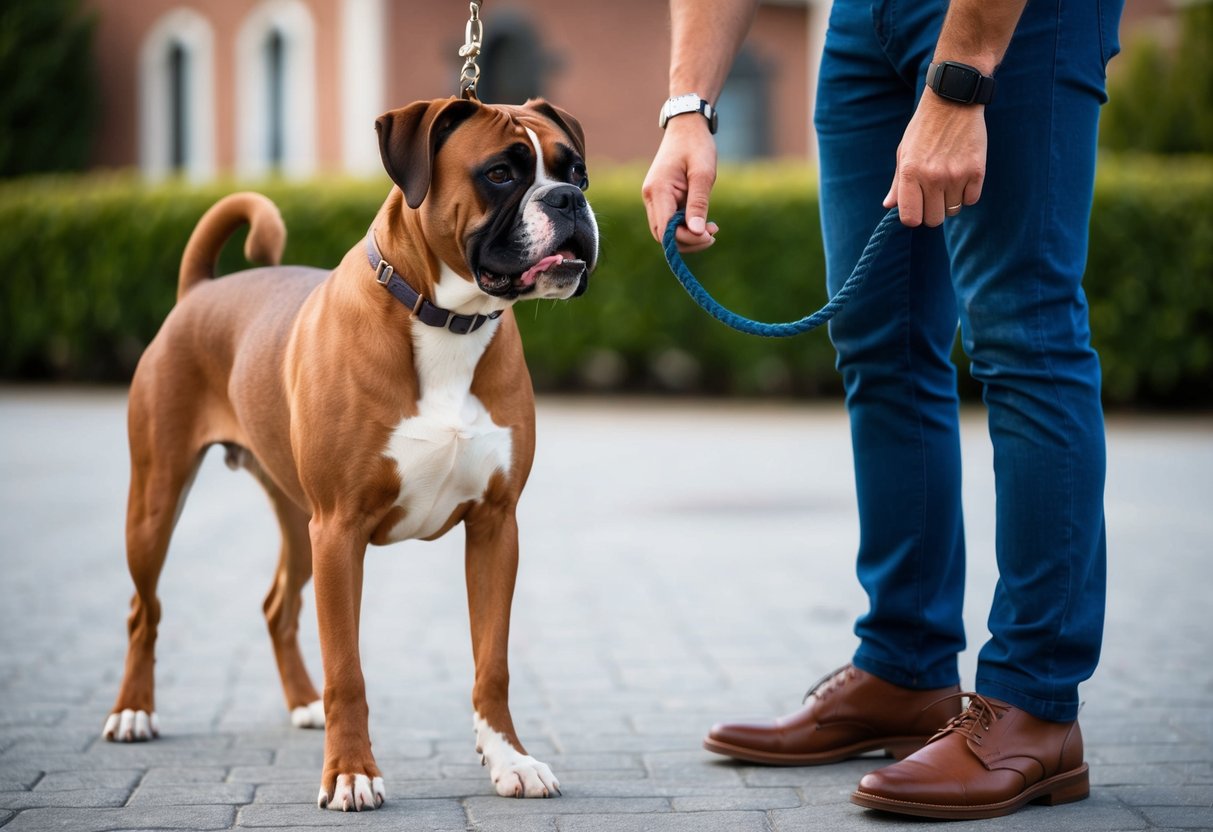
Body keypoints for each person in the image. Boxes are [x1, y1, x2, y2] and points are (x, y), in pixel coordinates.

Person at [642, 0, 1122, 820]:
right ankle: (905, 668)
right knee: (878, 340)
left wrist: (962, 80)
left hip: (1018, 18)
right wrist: (687, 105)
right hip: (864, 20)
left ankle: (1035, 707)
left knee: (1021, 330)